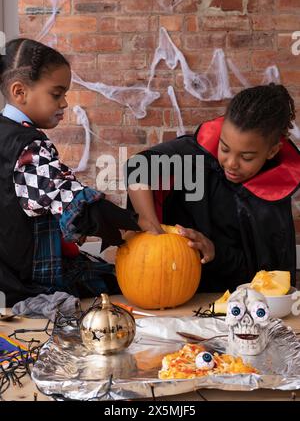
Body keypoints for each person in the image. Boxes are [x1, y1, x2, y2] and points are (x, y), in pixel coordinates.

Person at [0, 38, 141, 306]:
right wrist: (135, 222)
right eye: (57, 94)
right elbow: (67, 197)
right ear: (20, 92)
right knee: (120, 281)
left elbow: (29, 200)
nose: (64, 103)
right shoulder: (28, 145)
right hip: (28, 282)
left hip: (8, 272)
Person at [126, 84, 300, 292]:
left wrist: (213, 250)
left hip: (228, 299)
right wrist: (148, 220)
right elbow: (138, 166)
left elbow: (265, 282)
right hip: (171, 281)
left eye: (246, 157)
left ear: (272, 151)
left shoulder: (272, 200)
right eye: (224, 148)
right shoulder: (196, 154)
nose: (231, 163)